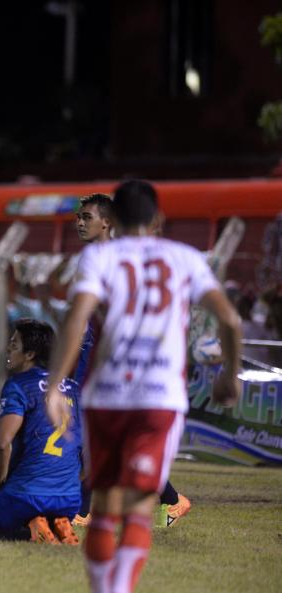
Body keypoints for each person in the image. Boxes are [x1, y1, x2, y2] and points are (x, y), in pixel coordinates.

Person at [45, 180, 242, 593]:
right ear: (157, 220)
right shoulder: (185, 258)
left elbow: (77, 317)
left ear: (113, 220)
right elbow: (229, 318)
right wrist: (228, 376)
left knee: (103, 501)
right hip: (159, 398)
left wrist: (56, 385)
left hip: (106, 395)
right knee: (135, 507)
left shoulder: (99, 257)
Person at [72, 192, 191, 529]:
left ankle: (84, 511)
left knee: (94, 440)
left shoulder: (121, 258)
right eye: (78, 219)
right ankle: (171, 499)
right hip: (94, 357)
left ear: (108, 221)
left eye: (87, 217)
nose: (80, 224)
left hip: (117, 361)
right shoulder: (95, 256)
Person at [0, 319, 82, 544]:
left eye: (14, 344)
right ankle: (53, 523)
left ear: (29, 354)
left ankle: (30, 533)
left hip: (27, 495)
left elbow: (3, 442)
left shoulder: (19, 385)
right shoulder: (73, 388)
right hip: (69, 499)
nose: (8, 348)